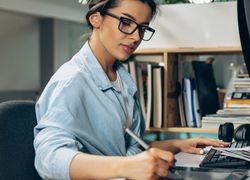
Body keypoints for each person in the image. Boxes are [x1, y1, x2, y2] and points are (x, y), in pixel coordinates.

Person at [34, 0, 228, 179]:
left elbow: (128, 149)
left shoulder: (122, 78)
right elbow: (48, 158)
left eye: (142, 28)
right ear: (96, 18)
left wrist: (178, 145)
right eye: (126, 22)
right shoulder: (71, 81)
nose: (136, 37)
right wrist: (125, 167)